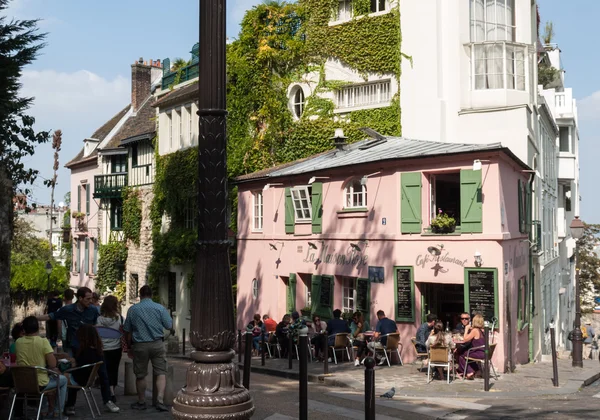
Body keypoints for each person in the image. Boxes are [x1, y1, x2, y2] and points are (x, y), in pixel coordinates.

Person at [39, 286, 119, 414]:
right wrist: (32, 320)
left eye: (91, 298)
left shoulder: (93, 310)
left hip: (91, 346)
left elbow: (101, 323)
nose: (90, 301)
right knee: (74, 373)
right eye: (88, 299)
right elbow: (51, 316)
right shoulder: (68, 310)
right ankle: (70, 405)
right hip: (74, 346)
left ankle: (107, 400)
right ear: (80, 298)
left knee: (103, 373)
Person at [124, 285, 173, 412]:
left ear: (140, 295)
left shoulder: (133, 310)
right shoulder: (160, 308)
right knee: (161, 372)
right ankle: (160, 401)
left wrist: (129, 346)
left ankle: (141, 401)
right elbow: (169, 325)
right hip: (157, 344)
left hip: (140, 345)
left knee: (140, 374)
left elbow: (127, 330)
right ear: (151, 294)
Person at [16, 316, 68, 419]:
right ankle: (58, 412)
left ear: (24, 329)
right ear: (38, 328)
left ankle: (43, 410)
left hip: (22, 383)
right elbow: (53, 364)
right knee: (63, 380)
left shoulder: (18, 342)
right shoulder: (43, 341)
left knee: (43, 376)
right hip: (40, 383)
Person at [65, 324, 117, 415]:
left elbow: (77, 366)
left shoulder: (84, 351)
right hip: (88, 379)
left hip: (79, 379)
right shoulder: (98, 352)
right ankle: (70, 405)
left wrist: (71, 362)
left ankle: (62, 407)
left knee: (58, 378)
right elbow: (103, 375)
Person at [97, 295, 123, 402]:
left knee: (105, 371)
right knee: (114, 369)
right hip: (116, 348)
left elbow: (98, 333)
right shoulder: (119, 318)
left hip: (103, 348)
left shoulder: (99, 319)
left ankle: (108, 391)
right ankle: (112, 390)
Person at [457, 314, 486, 379]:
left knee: (461, 354)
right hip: (484, 353)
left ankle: (470, 372)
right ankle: (477, 371)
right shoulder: (483, 330)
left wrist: (466, 329)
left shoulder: (475, 330)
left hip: (479, 353)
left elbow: (465, 339)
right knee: (467, 354)